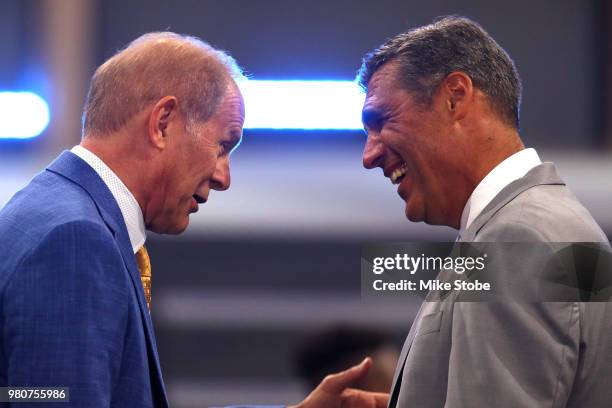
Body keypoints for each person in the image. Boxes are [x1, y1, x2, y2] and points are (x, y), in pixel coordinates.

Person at [0, 32, 388, 408]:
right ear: (163, 123)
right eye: (223, 145)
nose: (224, 177)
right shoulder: (76, 240)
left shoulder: (56, 214)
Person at [357, 16, 612, 407]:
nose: (369, 155)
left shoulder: (517, 239)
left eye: (380, 121)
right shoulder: (547, 224)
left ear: (455, 97)